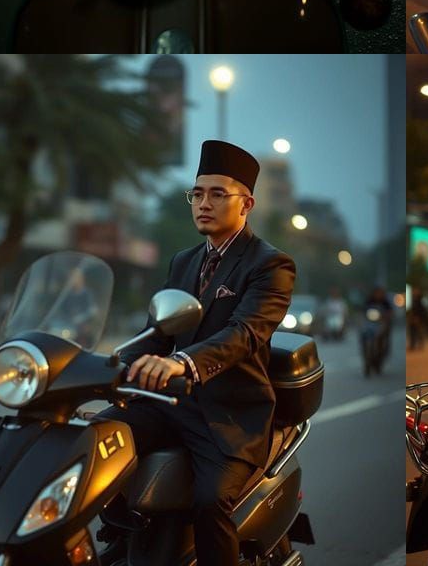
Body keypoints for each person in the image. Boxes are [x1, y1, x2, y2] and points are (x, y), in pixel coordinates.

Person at [95, 140, 295, 566]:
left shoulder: (270, 265)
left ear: (247, 204)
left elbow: (244, 333)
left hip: (229, 416)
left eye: (218, 193)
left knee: (209, 502)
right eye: (197, 193)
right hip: (172, 404)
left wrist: (181, 362)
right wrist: (108, 365)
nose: (203, 203)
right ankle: (122, 537)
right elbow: (157, 334)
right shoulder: (183, 261)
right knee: (91, 442)